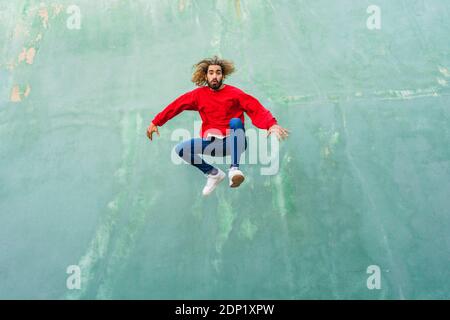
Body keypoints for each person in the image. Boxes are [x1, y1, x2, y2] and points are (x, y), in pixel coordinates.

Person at [147, 56, 289, 196]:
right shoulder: (198, 95)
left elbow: (255, 108)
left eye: (218, 73)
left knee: (235, 122)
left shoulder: (235, 94)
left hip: (234, 142)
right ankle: (213, 174)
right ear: (206, 76)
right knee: (181, 149)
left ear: (223, 76)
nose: (215, 76)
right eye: (211, 73)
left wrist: (271, 124)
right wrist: (156, 122)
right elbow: (177, 105)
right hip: (212, 144)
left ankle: (234, 169)